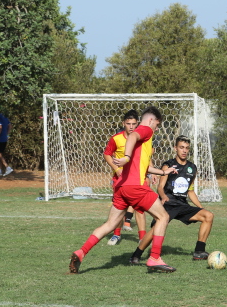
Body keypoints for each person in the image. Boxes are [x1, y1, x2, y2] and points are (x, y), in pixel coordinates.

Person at [69, 106, 178, 274]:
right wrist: (126, 157)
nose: (157, 128)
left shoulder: (141, 142)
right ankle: (155, 257)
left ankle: (81, 252)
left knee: (110, 224)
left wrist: (163, 172)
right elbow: (132, 136)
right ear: (151, 120)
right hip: (135, 187)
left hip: (121, 187)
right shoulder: (146, 129)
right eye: (157, 124)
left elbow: (143, 167)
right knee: (163, 216)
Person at [129, 135, 215, 265]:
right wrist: (163, 196)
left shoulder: (192, 168)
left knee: (208, 216)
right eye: (181, 147)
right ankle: (136, 255)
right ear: (175, 148)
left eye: (186, 148)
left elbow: (190, 191)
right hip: (168, 204)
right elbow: (160, 187)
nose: (184, 150)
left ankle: (199, 251)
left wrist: (200, 207)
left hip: (182, 205)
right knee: (155, 230)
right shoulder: (168, 165)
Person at [103, 109, 146, 246]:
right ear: (123, 123)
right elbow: (107, 154)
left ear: (137, 123)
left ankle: (142, 238)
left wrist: (151, 172)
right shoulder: (116, 138)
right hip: (121, 180)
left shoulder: (140, 138)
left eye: (134, 124)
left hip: (137, 178)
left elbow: (146, 156)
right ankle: (116, 235)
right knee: (119, 208)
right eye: (128, 124)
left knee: (140, 208)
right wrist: (116, 169)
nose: (131, 127)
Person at [0, 106, 13, 176]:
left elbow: (0, 127)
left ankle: (7, 167)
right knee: (0, 154)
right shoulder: (5, 117)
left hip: (0, 138)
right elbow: (10, 126)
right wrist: (7, 134)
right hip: (4, 138)